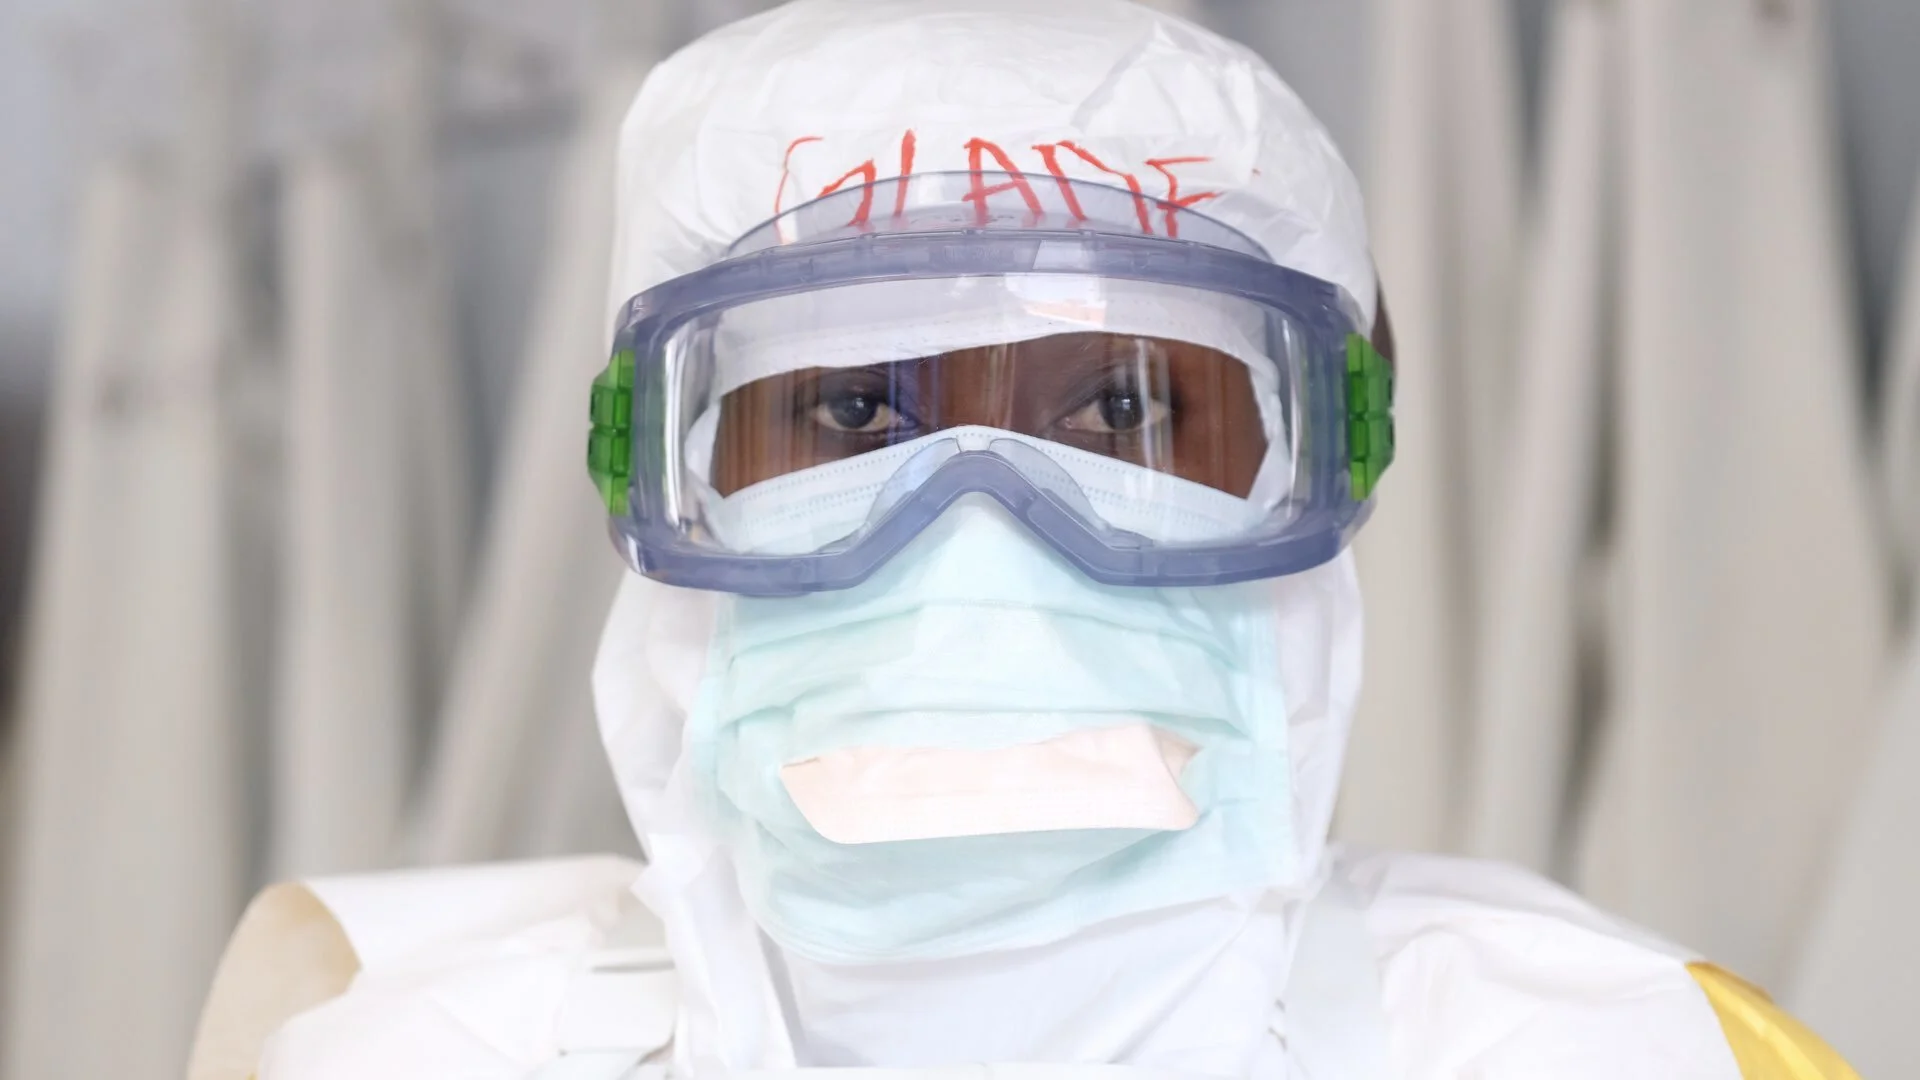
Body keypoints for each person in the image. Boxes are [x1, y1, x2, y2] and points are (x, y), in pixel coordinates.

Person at [187, 2, 1862, 1077]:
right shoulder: (399, 1046)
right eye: (851, 417)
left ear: (1332, 467)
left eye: (1124, 415)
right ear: (650, 474)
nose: (975, 544)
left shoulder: (1628, 1055)